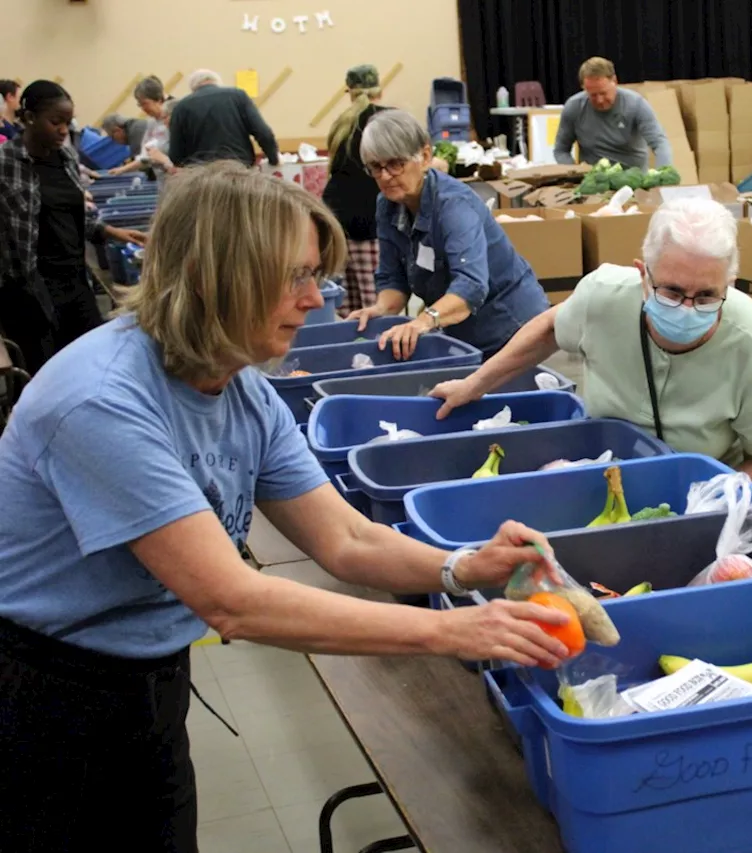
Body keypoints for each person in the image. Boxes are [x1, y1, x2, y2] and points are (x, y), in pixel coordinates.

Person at [0, 161, 573, 850]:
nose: (315, 297)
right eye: (295, 276)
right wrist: (451, 634)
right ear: (217, 275)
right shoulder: (102, 401)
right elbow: (233, 601)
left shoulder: (240, 387)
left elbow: (347, 540)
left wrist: (461, 569)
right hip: (45, 691)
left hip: (149, 677)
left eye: (316, 274)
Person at [431, 199, 752, 489]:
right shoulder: (604, 297)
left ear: (730, 283)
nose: (687, 308)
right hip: (604, 473)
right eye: (672, 291)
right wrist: (473, 385)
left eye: (706, 296)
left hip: (704, 485)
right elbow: (550, 328)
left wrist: (711, 505)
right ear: (643, 275)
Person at [349, 109, 549, 357]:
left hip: (513, 326)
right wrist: (380, 309)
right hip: (462, 334)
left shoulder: (453, 204)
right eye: (375, 167)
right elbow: (393, 279)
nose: (385, 176)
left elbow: (471, 285)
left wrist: (424, 320)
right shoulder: (386, 205)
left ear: (424, 156)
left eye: (395, 164)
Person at [0, 80, 148, 375]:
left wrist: (109, 231)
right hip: (30, 288)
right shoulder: (6, 164)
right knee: (43, 373)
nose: (63, 130)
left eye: (67, 123)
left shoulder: (66, 157)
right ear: (29, 118)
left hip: (74, 279)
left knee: (92, 364)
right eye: (55, 122)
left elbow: (73, 213)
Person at [322, 64, 389, 316]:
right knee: (376, 306)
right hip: (368, 222)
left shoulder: (342, 123)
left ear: (349, 92)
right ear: (379, 91)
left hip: (335, 221)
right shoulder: (386, 119)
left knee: (345, 308)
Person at [553, 56, 673, 171]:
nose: (600, 100)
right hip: (594, 182)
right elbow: (561, 150)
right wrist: (575, 173)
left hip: (634, 181)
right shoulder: (574, 107)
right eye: (593, 95)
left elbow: (659, 143)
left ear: (614, 81)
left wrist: (663, 173)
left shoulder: (636, 104)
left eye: (603, 93)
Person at [168, 69, 279, 168]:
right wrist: (273, 159)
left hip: (202, 175)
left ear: (193, 87)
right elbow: (264, 133)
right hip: (239, 168)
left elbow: (175, 154)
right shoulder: (238, 96)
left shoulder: (181, 107)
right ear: (217, 82)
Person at [103, 75, 174, 177]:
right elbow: (144, 158)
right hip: (163, 180)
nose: (143, 108)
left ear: (158, 100)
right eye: (140, 105)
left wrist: (164, 160)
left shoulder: (174, 118)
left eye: (145, 103)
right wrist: (122, 169)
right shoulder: (151, 123)